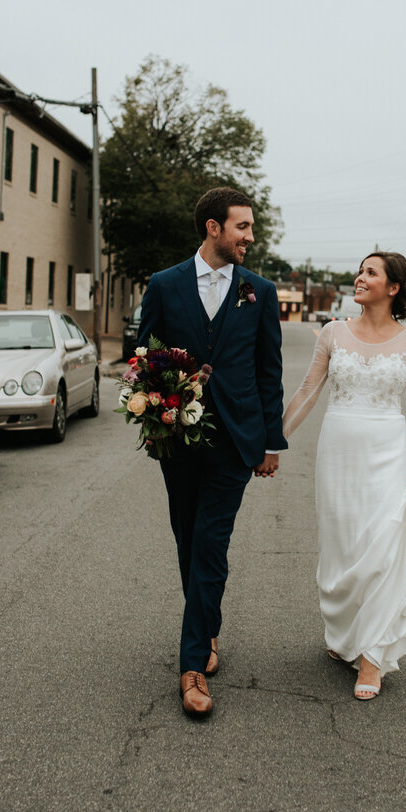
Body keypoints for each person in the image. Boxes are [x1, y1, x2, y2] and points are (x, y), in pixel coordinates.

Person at [138, 187, 287, 718]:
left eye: (250, 227)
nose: (251, 236)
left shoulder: (259, 292)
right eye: (242, 227)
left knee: (211, 543)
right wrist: (154, 412)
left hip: (235, 440)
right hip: (177, 439)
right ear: (213, 229)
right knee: (187, 537)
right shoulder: (164, 284)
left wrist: (272, 440)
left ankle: (192, 664)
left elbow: (269, 370)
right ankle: (207, 629)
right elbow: (144, 356)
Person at [282, 252, 406, 701]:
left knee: (383, 548)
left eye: (371, 272)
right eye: (360, 270)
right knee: (342, 548)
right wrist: (273, 441)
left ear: (393, 288)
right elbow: (308, 391)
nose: (359, 277)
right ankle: (347, 634)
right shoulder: (333, 333)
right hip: (337, 455)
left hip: (388, 453)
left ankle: (372, 656)